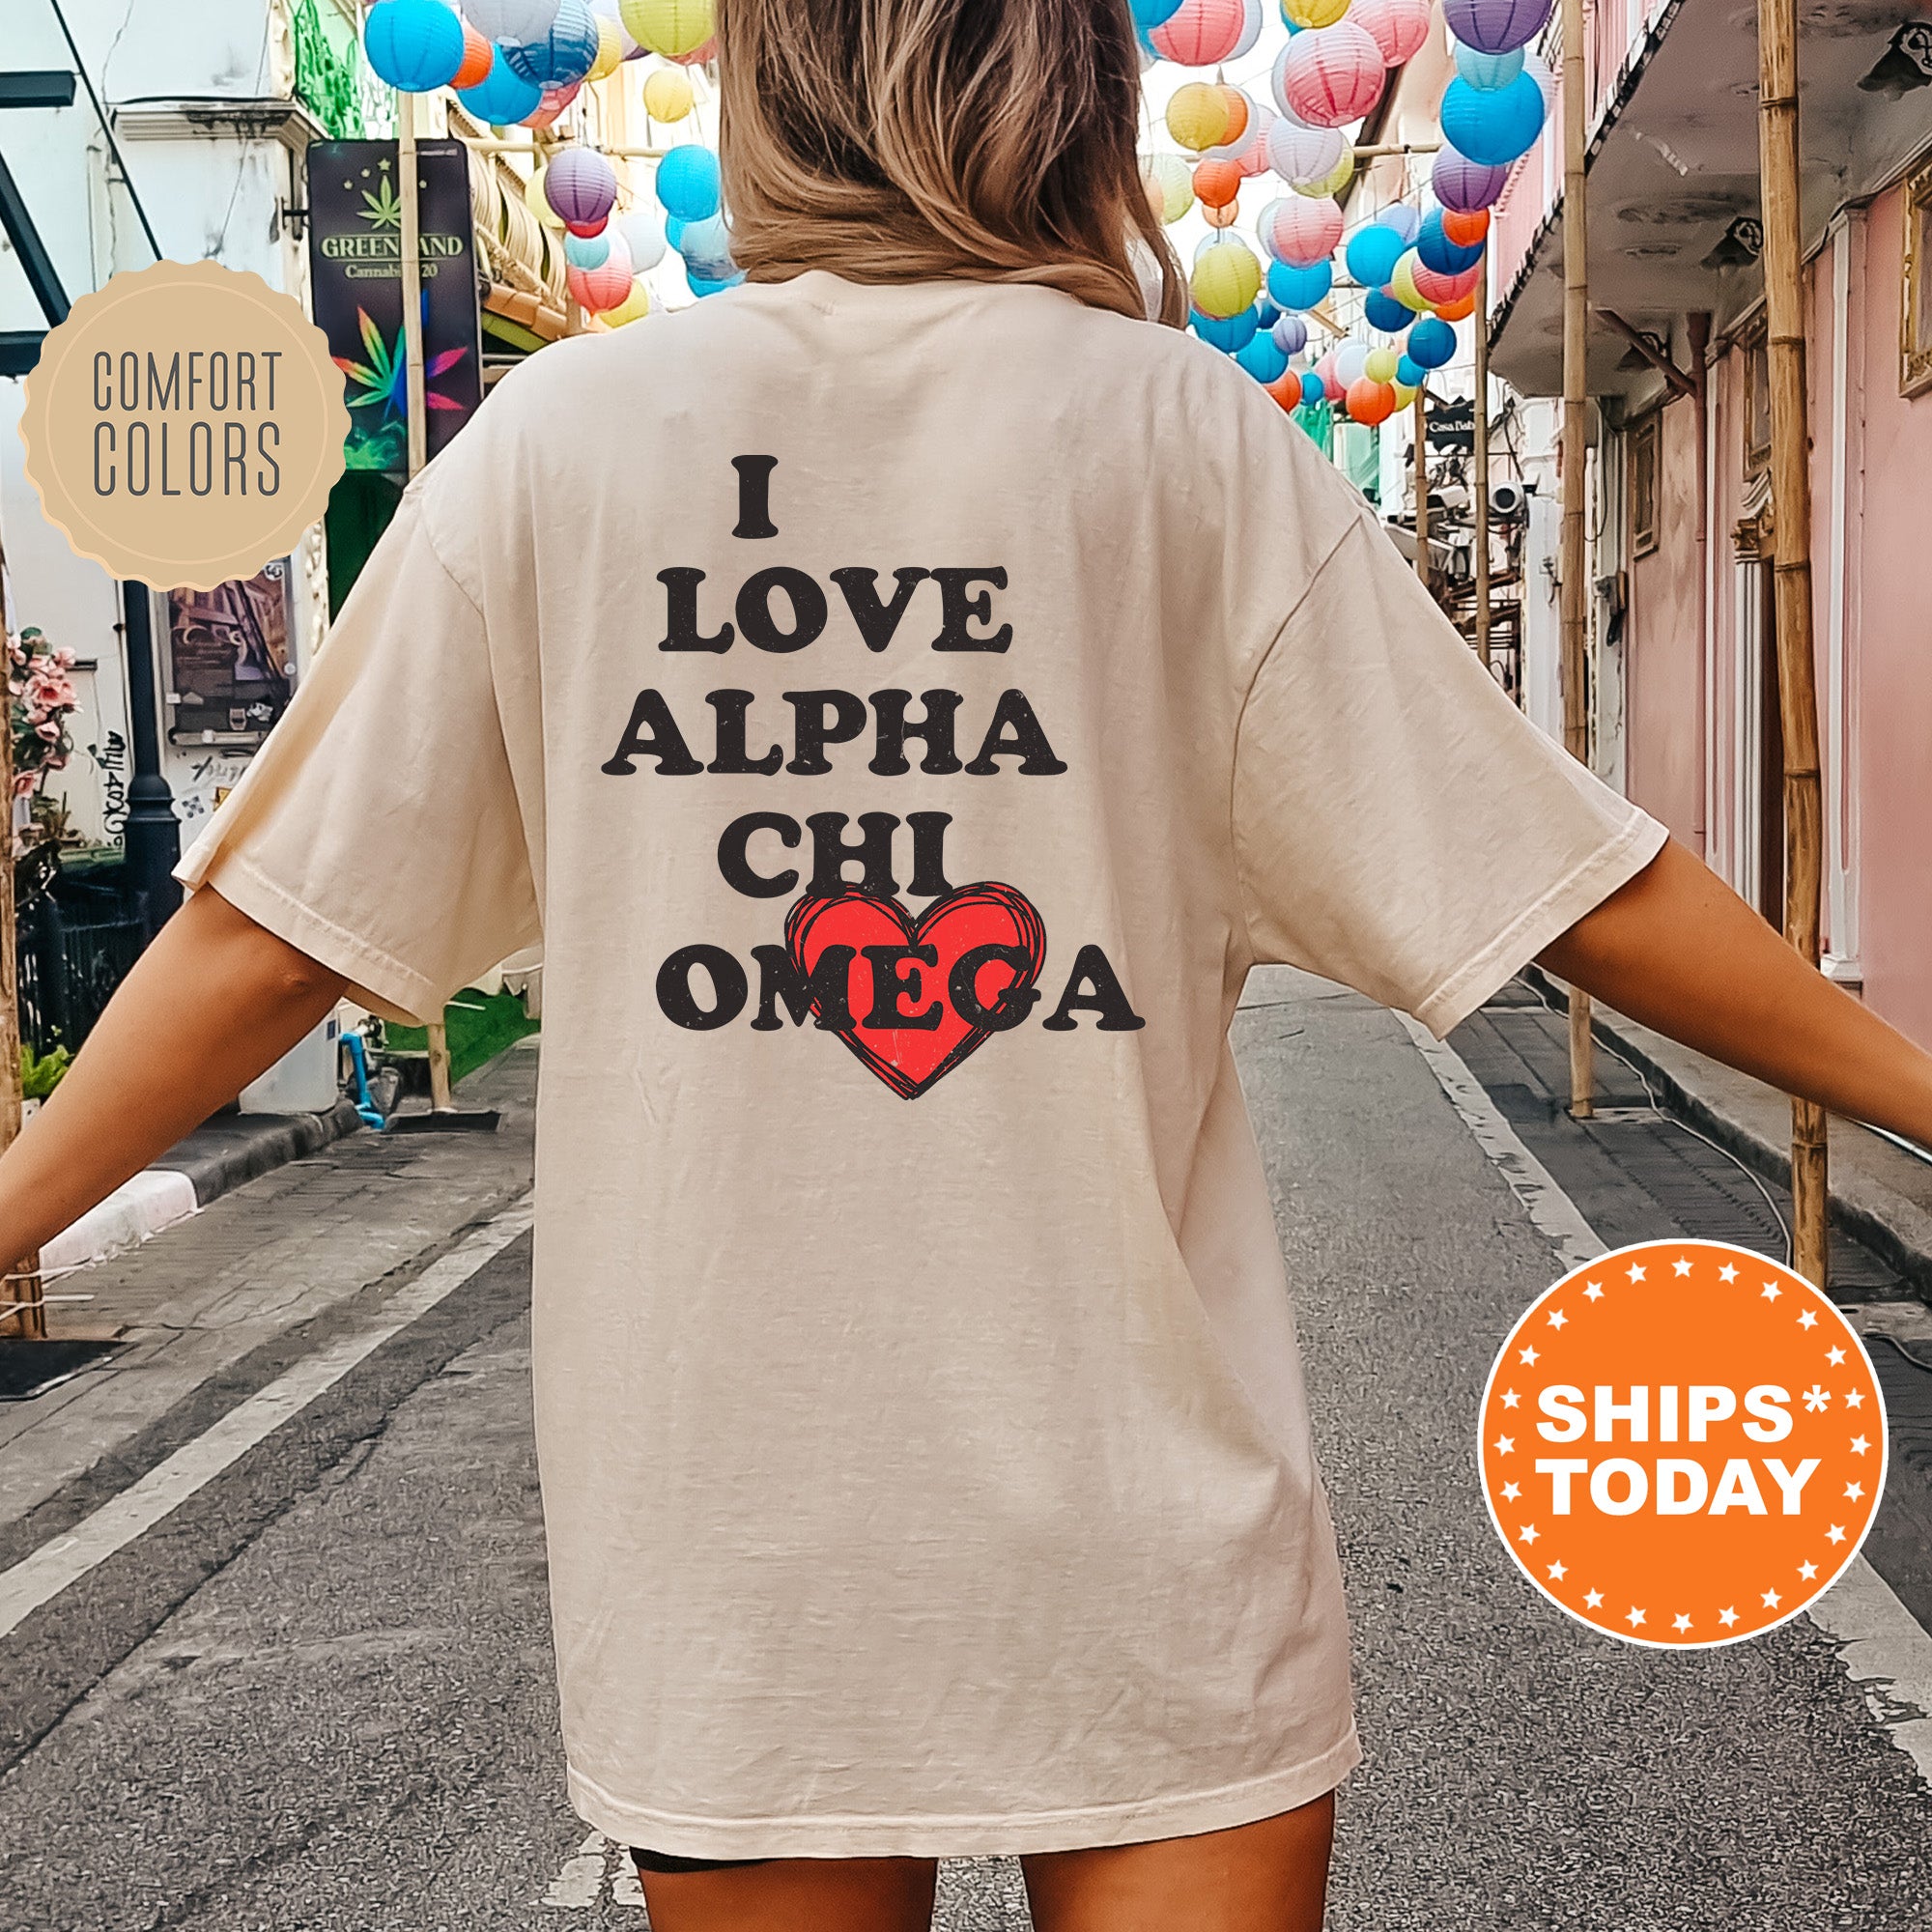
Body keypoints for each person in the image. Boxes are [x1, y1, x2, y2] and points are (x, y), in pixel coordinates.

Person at [2, 3, 1925, 1927]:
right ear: (1069, 89)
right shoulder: (1182, 440)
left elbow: (269, 940)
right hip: (1143, 1535)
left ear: (768, 84)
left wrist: (12, 1206)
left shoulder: (556, 446)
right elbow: (1572, 885)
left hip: (737, 1558)